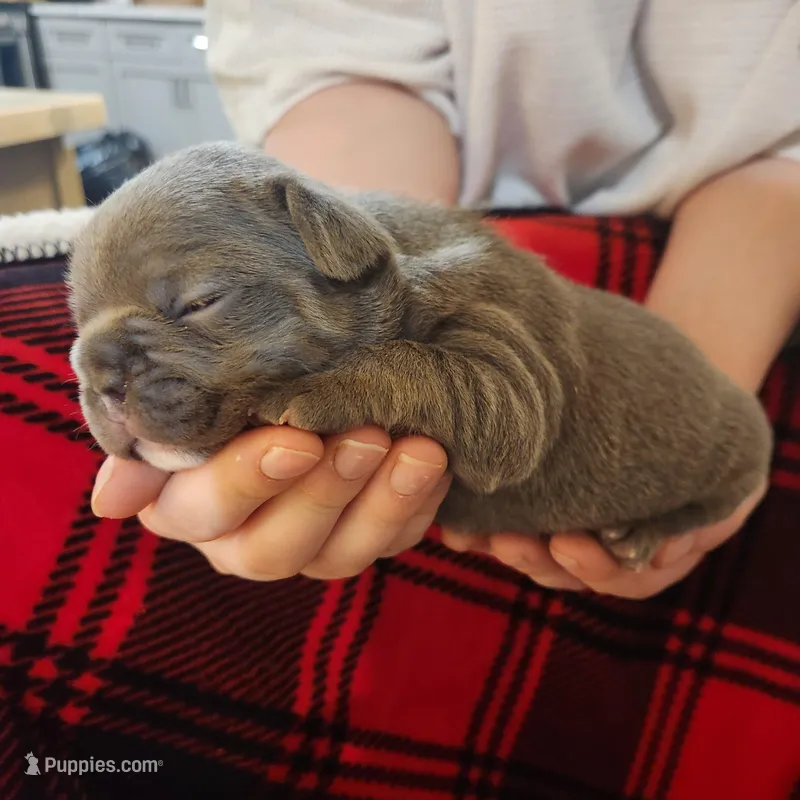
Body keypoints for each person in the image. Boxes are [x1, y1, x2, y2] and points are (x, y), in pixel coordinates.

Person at [89, 1, 800, 599]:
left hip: (732, 273)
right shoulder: (330, 252)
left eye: (197, 305)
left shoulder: (463, 283)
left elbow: (507, 436)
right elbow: (347, 68)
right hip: (399, 192)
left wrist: (706, 437)